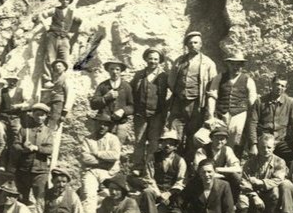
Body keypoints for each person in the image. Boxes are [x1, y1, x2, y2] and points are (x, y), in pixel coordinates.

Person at [236, 133, 293, 213]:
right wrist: (254, 196)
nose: (266, 150)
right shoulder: (250, 162)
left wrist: (259, 182)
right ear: (258, 147)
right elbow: (244, 182)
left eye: (269, 147)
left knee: (275, 190)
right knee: (242, 199)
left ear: (273, 148)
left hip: (269, 193)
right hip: (253, 193)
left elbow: (278, 179)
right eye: (262, 147)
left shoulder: (279, 162)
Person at [167, 31, 218, 156]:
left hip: (196, 105)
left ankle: (190, 165)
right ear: (186, 45)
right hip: (178, 103)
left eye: (195, 42)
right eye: (189, 43)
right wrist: (178, 93)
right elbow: (171, 81)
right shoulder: (179, 61)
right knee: (175, 132)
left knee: (193, 135)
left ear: (201, 45)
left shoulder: (208, 63)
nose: (192, 45)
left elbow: (213, 87)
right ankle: (175, 163)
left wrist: (209, 110)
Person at [206, 51, 257, 153]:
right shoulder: (220, 77)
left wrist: (247, 117)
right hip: (220, 114)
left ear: (242, 66)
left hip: (239, 113)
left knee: (235, 133)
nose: (236, 67)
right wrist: (211, 115)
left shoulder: (248, 80)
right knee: (202, 137)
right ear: (228, 64)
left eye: (239, 65)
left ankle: (231, 157)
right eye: (233, 64)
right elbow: (212, 96)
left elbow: (252, 100)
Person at [130, 47, 169, 175]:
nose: (153, 61)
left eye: (156, 59)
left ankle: (150, 167)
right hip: (140, 114)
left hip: (157, 114)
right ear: (146, 59)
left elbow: (173, 91)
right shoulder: (139, 75)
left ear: (159, 61)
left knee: (154, 141)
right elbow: (130, 90)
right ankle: (137, 166)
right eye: (150, 58)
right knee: (139, 140)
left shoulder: (164, 76)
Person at [246, 74, 293, 162]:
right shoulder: (260, 102)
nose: (279, 87)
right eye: (277, 84)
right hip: (263, 142)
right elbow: (252, 124)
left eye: (282, 86)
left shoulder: (291, 102)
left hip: (281, 141)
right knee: (256, 159)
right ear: (272, 85)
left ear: (285, 88)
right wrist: (253, 144)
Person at [138, 129, 187, 213]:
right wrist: (159, 194)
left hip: (171, 194)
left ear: (175, 146)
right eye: (165, 142)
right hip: (156, 191)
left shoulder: (180, 161)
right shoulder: (152, 157)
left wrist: (169, 193)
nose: (167, 146)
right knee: (147, 192)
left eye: (170, 143)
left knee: (175, 205)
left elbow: (181, 181)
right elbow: (149, 177)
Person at [79, 113, 121, 213]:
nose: (102, 127)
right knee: (88, 195)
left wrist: (96, 153)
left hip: (109, 173)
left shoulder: (113, 139)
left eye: (105, 124)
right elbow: (85, 158)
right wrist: (104, 162)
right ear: (95, 124)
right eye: (100, 123)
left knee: (109, 195)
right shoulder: (88, 139)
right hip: (91, 172)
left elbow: (115, 156)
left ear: (109, 126)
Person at [11, 104, 54, 207]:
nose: (39, 117)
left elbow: (50, 149)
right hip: (24, 170)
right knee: (21, 198)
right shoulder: (24, 129)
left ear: (46, 116)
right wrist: (24, 149)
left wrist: (37, 148)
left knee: (40, 198)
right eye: (37, 114)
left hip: (40, 171)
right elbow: (15, 145)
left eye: (42, 115)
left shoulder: (48, 132)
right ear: (33, 115)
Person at [37, 0, 81, 83]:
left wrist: (75, 31)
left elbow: (81, 21)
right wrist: (46, 26)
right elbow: (41, 15)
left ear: (69, 2)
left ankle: (61, 79)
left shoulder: (73, 12)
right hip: (53, 35)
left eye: (67, 0)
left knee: (64, 57)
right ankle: (47, 79)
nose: (65, 1)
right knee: (50, 57)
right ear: (60, 1)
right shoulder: (54, 10)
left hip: (65, 37)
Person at [90, 59, 134, 145]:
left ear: (121, 71)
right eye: (112, 69)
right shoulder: (102, 86)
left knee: (117, 147)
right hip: (103, 124)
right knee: (101, 146)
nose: (114, 72)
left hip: (120, 124)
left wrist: (123, 111)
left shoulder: (126, 86)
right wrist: (105, 98)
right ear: (108, 71)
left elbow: (132, 106)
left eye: (117, 69)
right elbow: (93, 104)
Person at [194, 126, 241, 197]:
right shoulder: (202, 150)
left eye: (222, 139)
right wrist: (217, 174)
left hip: (218, 175)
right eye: (216, 138)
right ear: (211, 139)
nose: (219, 141)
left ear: (226, 141)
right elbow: (200, 170)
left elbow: (238, 169)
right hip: (205, 177)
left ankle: (234, 201)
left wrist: (219, 169)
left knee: (236, 177)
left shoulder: (227, 150)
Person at [45, 59, 74, 130]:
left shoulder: (67, 78)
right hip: (52, 102)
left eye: (59, 66)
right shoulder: (56, 78)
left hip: (59, 103)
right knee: (49, 120)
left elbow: (70, 94)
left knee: (55, 121)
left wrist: (66, 109)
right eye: (55, 66)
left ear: (64, 68)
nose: (57, 67)